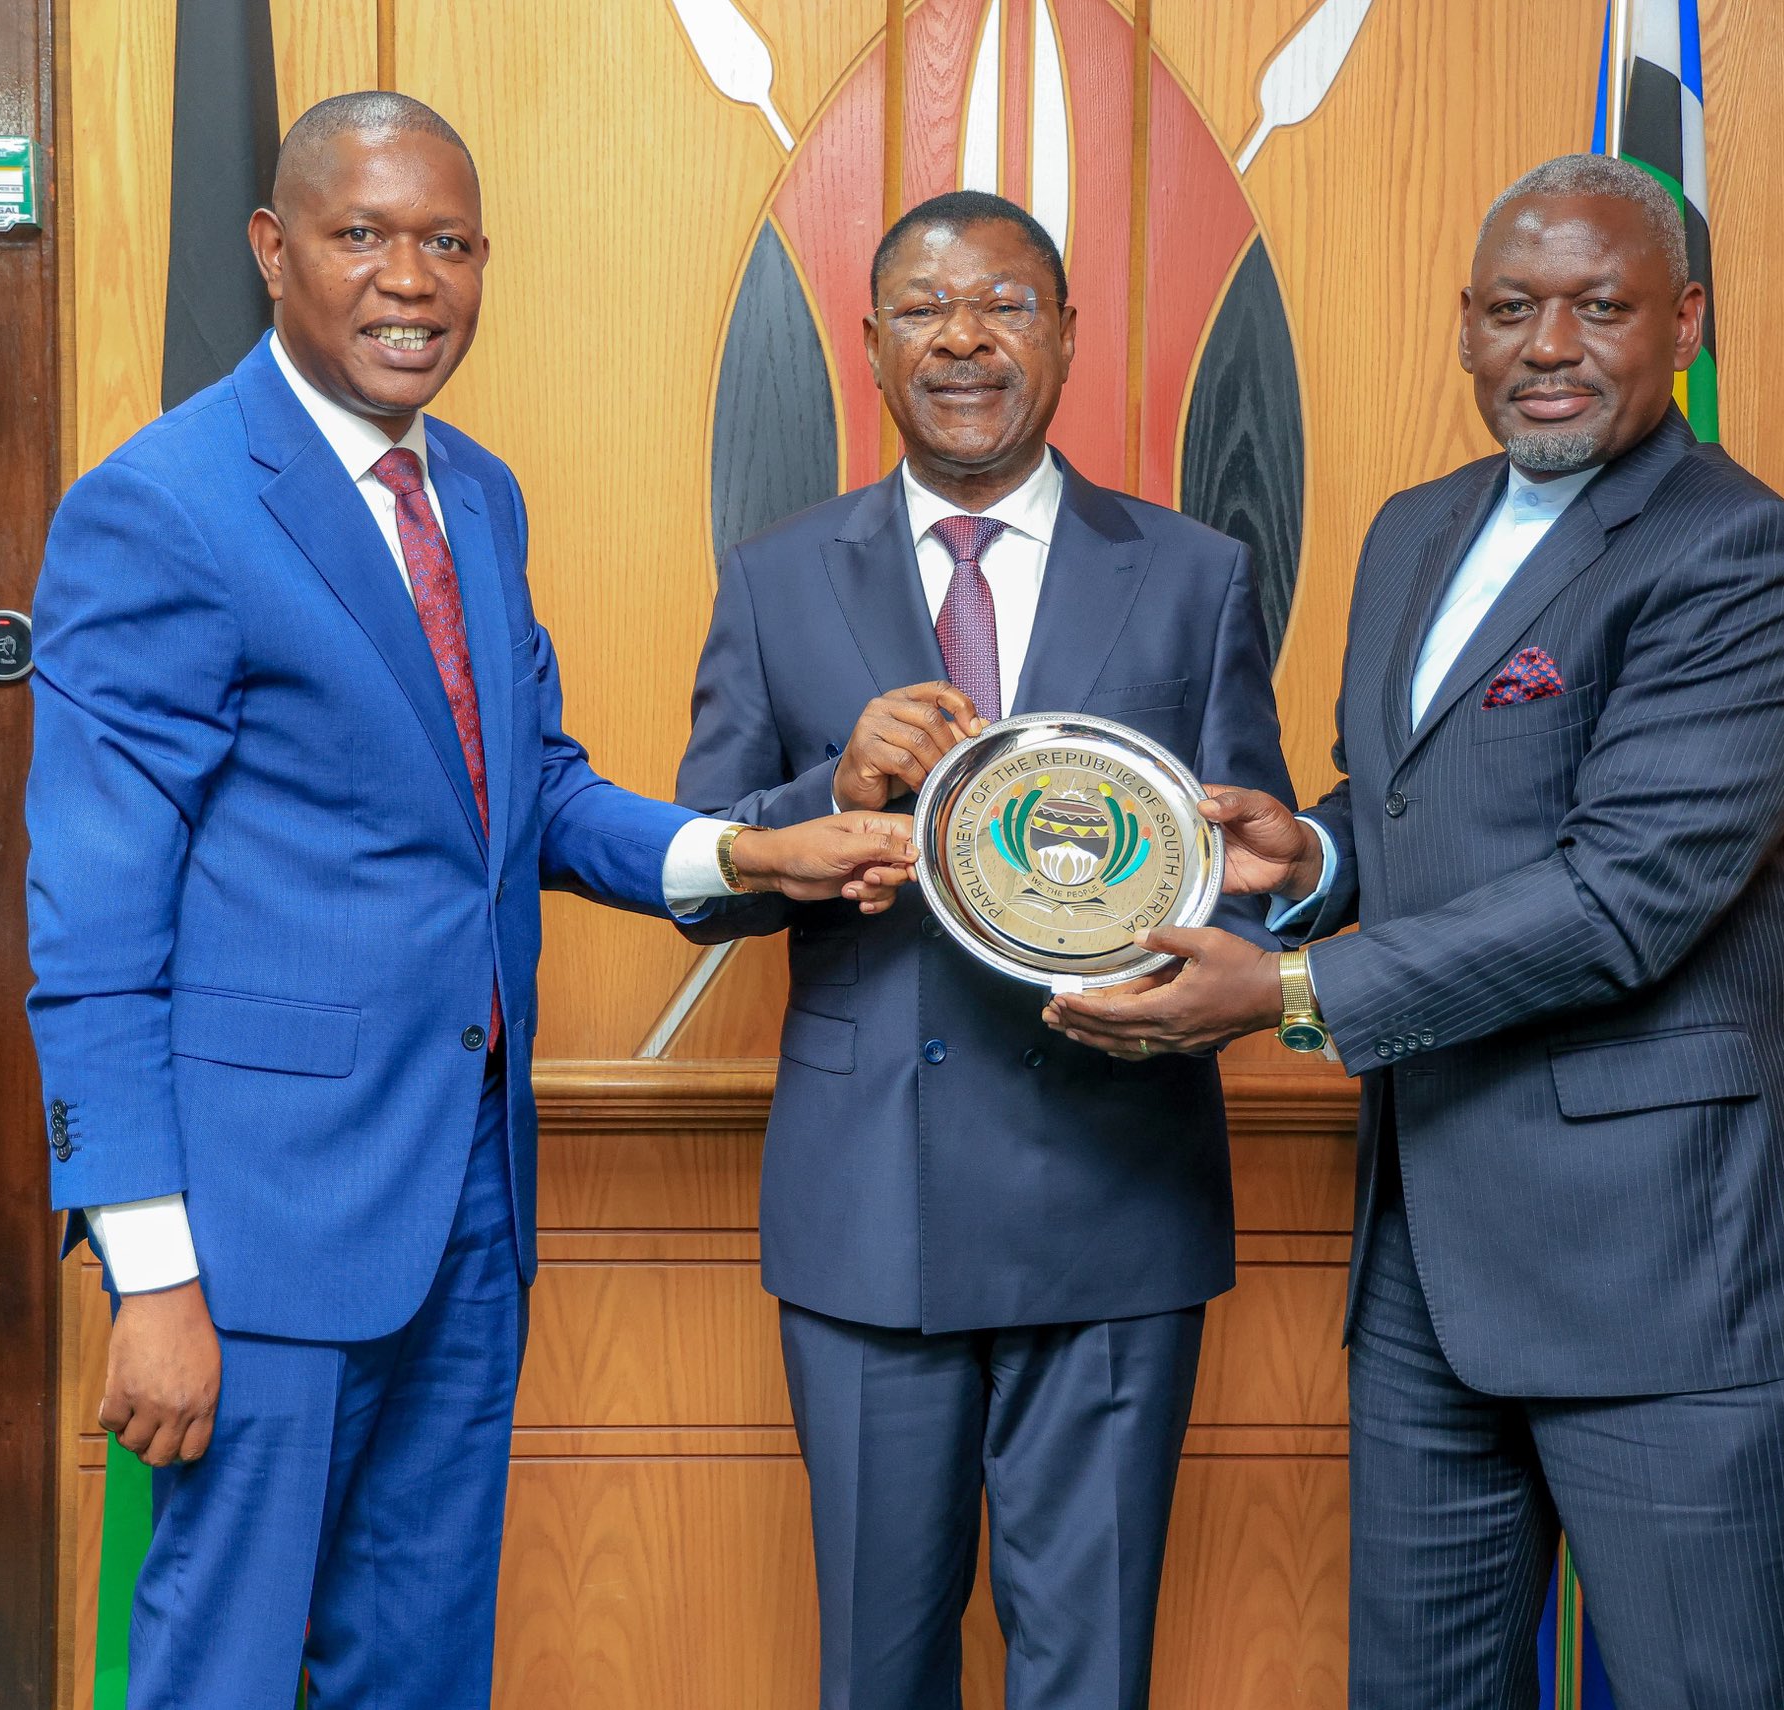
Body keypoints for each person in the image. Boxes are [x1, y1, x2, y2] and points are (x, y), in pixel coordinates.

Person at [25, 92, 913, 1709]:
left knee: (424, 1667)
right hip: (255, 1235)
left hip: (466, 1203)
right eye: (362, 236)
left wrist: (748, 854)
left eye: (446, 242)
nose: (409, 281)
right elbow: (88, 928)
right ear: (272, 250)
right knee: (219, 1668)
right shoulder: (165, 505)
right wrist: (149, 1271)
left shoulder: (477, 497)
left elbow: (531, 794)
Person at [1046, 154, 1784, 1709]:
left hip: (1669, 1269)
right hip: (1431, 1260)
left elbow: (1625, 893)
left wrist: (1288, 987)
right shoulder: (1417, 529)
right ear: (1465, 331)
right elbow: (1421, 804)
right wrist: (1310, 855)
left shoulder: (1743, 552)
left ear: (1683, 322)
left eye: (1599, 306)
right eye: (1511, 309)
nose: (1549, 344)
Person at [675, 190, 1294, 1709]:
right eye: (927, 309)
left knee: (1091, 1673)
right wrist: (832, 791)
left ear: (1070, 337)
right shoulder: (775, 575)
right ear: (872, 346)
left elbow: (1254, 870)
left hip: (1115, 1197)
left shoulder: (1196, 571)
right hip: (866, 1202)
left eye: (1008, 304)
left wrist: (1230, 942)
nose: (965, 336)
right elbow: (705, 873)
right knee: (875, 1674)